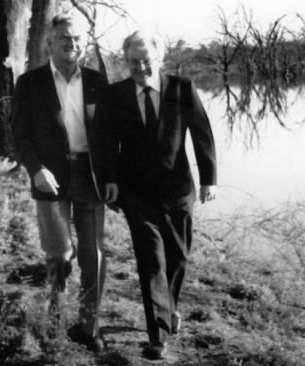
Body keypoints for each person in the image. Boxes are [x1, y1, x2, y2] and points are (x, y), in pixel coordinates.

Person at [95, 31, 218, 360]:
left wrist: (209, 179)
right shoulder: (115, 95)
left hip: (178, 191)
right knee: (152, 263)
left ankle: (171, 307)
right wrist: (108, 180)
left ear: (158, 58)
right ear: (126, 61)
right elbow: (105, 143)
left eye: (146, 60)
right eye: (133, 62)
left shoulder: (180, 88)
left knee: (177, 258)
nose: (140, 67)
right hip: (137, 194)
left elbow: (202, 133)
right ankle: (158, 337)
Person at [12, 14, 108, 352]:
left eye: (78, 38)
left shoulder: (97, 81)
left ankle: (89, 325)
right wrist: (36, 168)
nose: (72, 44)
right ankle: (55, 319)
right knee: (57, 255)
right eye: (65, 38)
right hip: (49, 178)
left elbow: (110, 136)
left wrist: (111, 177)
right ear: (48, 43)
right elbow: (20, 135)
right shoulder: (30, 83)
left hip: (89, 176)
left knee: (92, 254)